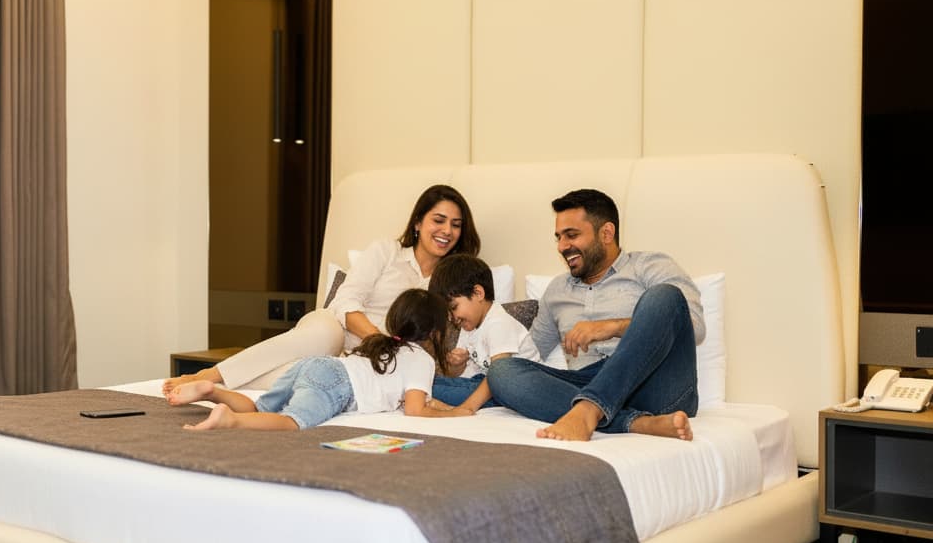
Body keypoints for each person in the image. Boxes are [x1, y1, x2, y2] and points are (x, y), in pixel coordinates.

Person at [162, 184, 481, 393]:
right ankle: (212, 376)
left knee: (307, 378)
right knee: (322, 336)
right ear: (417, 223)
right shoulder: (386, 251)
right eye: (438, 220)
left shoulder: (449, 283)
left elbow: (433, 345)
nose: (446, 231)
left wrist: (439, 362)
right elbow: (347, 300)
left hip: (370, 361)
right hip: (338, 327)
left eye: (455, 225)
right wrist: (375, 339)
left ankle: (214, 390)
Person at [487, 188, 704, 442]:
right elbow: (529, 354)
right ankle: (636, 423)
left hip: (653, 385)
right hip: (586, 381)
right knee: (502, 371)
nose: (562, 246)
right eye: (558, 237)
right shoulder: (557, 290)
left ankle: (589, 411)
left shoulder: (650, 266)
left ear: (606, 233)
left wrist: (611, 327)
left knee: (665, 296)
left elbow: (694, 327)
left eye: (572, 235)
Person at [167, 289, 474, 430]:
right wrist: (455, 416)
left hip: (317, 365)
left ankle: (213, 391)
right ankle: (231, 420)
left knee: (262, 407)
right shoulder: (420, 360)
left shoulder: (383, 345)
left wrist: (454, 408)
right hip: (338, 386)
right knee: (291, 422)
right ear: (434, 332)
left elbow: (426, 401)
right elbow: (416, 409)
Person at [426, 254, 538, 413]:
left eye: (453, 307)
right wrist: (456, 365)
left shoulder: (499, 323)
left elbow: (500, 376)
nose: (451, 318)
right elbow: (455, 376)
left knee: (426, 389)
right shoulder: (468, 325)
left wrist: (466, 408)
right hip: (481, 385)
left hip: (510, 392)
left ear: (478, 293)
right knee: (425, 381)